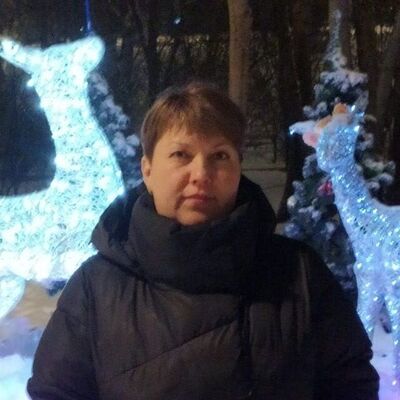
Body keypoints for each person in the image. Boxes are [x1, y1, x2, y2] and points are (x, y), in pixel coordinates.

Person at [27, 82, 379, 400]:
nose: (201, 174)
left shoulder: (298, 272)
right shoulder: (96, 288)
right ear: (147, 170)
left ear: (238, 168)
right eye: (181, 154)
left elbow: (350, 381)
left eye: (220, 156)